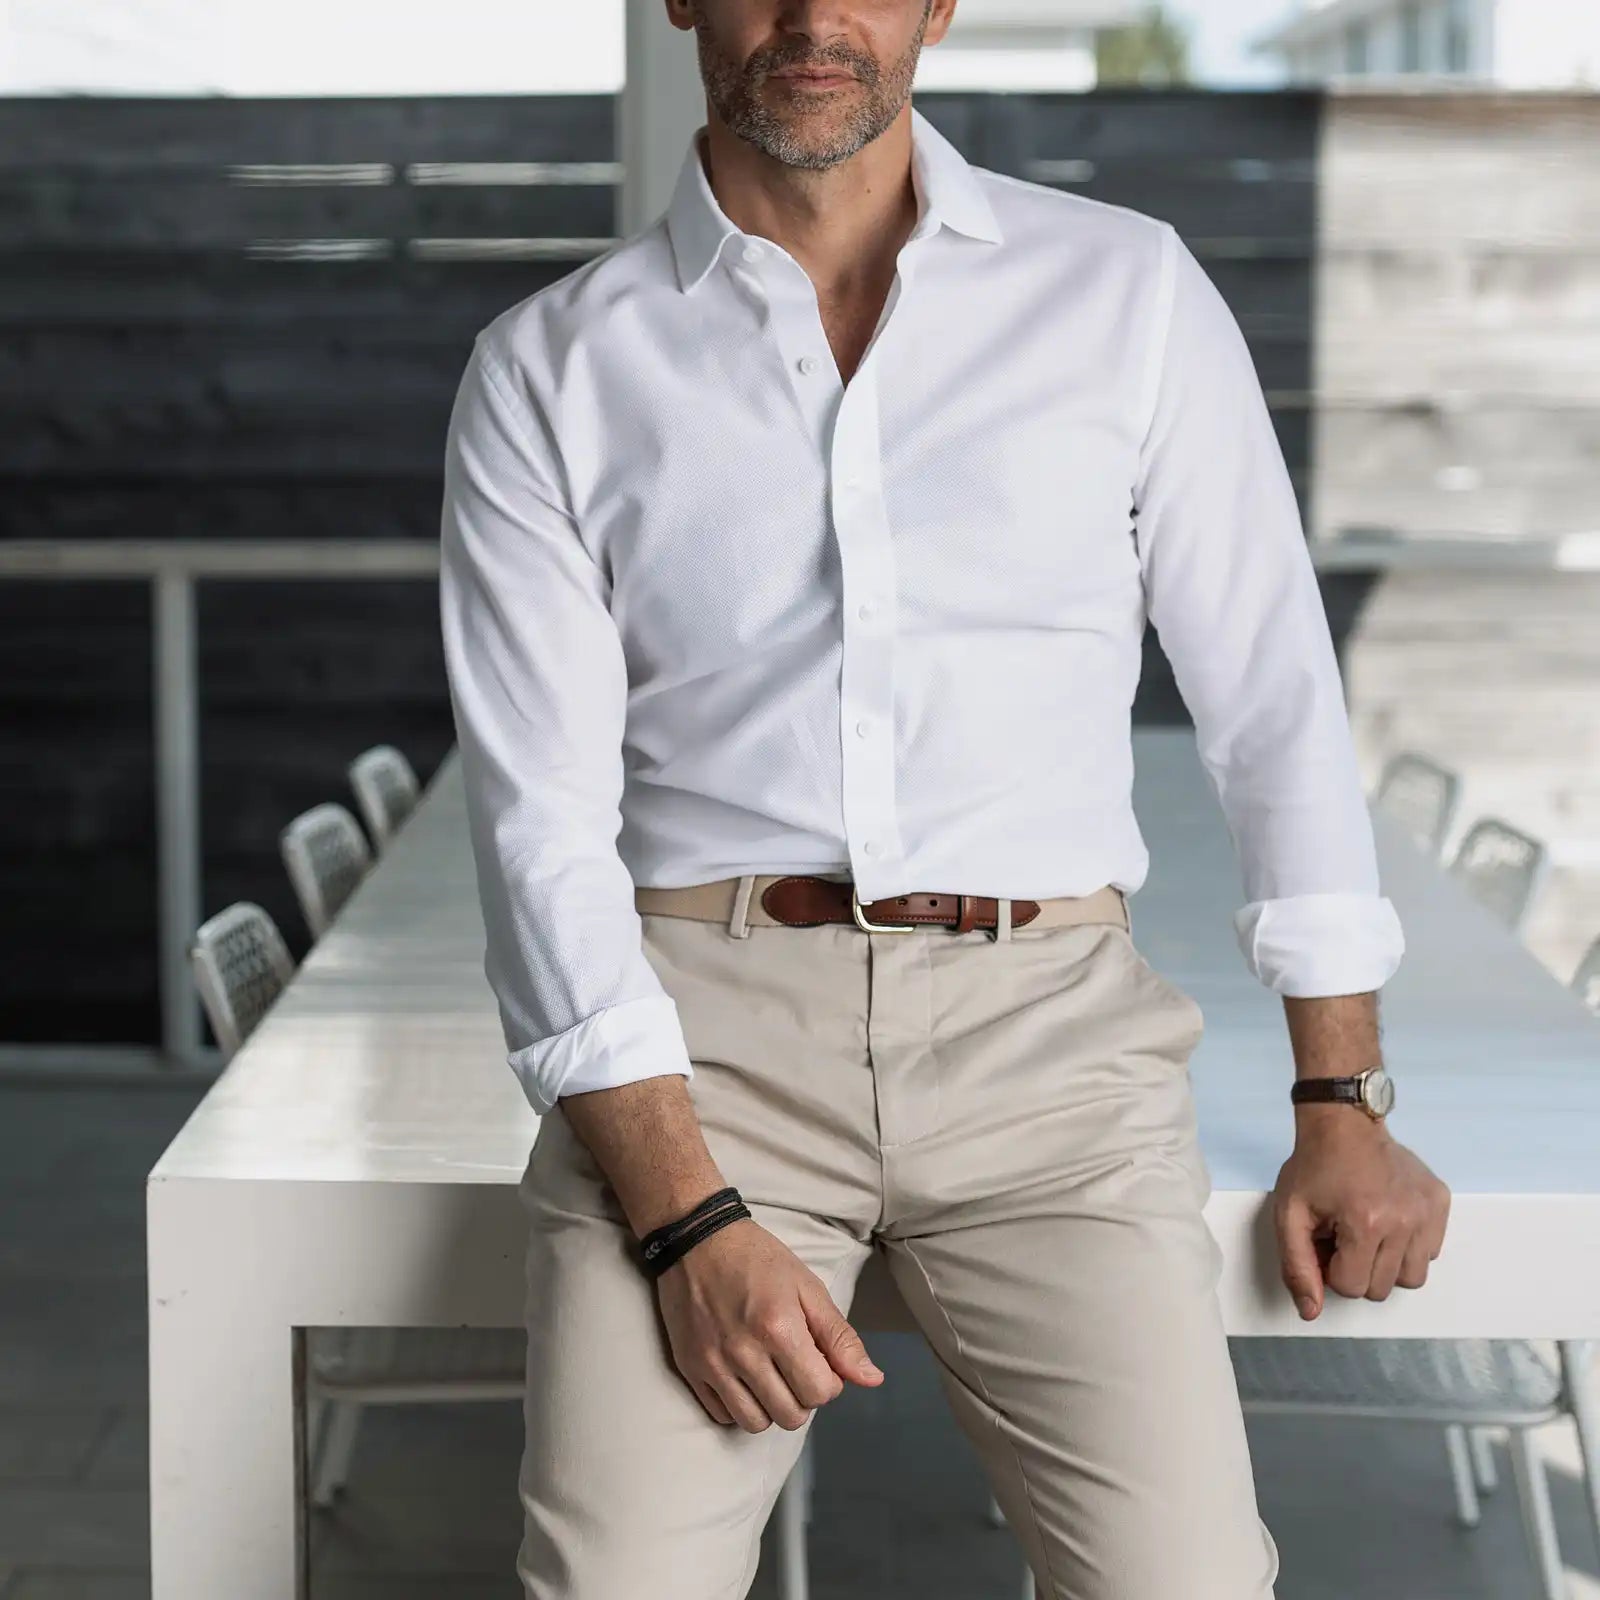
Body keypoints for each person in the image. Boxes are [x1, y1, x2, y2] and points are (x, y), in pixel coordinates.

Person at [437, 3, 1452, 1595]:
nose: (816, 15)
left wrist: (1344, 1098)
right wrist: (684, 1217)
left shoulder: (1126, 294)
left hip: (1055, 1049)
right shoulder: (551, 367)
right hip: (701, 1046)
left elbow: (1274, 698)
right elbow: (537, 827)